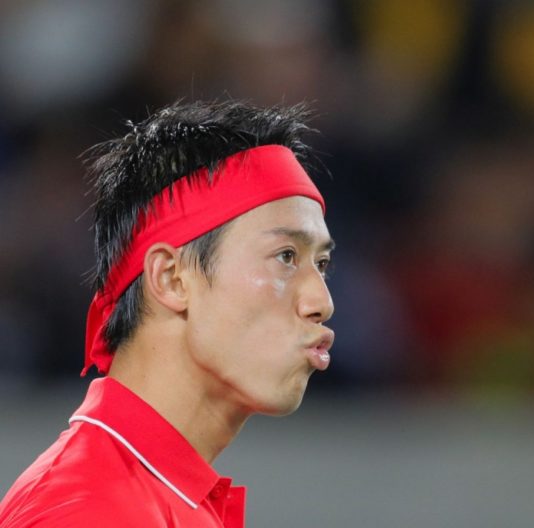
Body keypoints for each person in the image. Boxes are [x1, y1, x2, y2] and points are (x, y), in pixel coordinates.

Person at [0, 100, 336, 527]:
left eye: (321, 264)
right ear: (172, 278)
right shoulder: (84, 510)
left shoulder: (150, 497)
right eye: (286, 256)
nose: (322, 302)